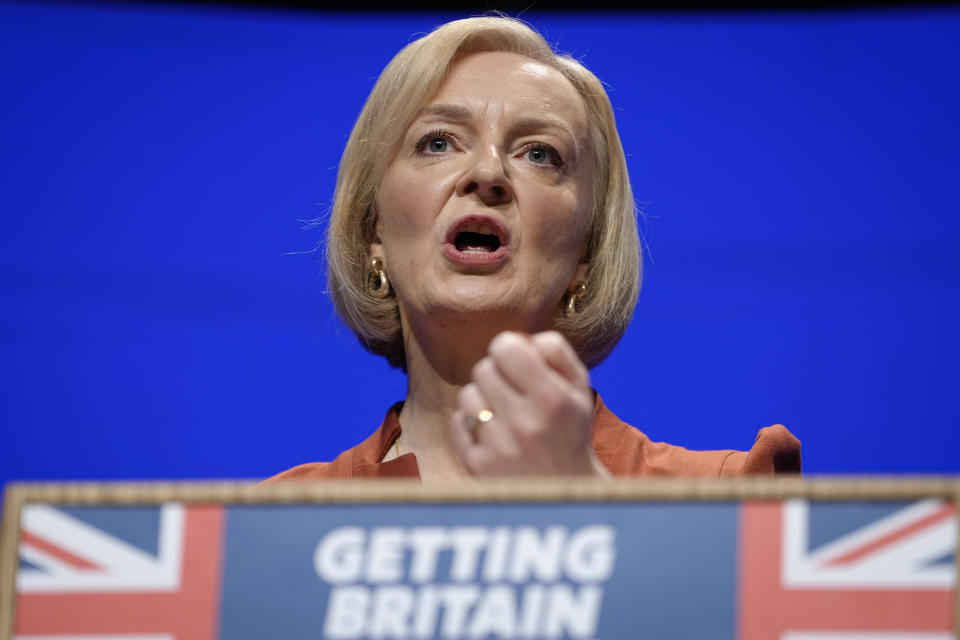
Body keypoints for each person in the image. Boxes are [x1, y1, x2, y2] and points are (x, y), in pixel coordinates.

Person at [268, 16, 800, 482]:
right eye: (438, 142)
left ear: (586, 254)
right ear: (372, 234)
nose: (487, 174)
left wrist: (584, 502)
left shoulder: (723, 501)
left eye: (539, 154)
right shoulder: (273, 530)